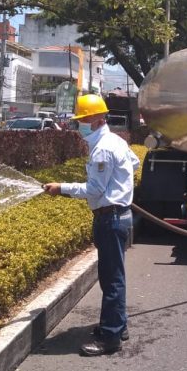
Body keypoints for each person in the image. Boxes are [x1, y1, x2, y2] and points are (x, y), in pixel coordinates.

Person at [43, 94, 140, 357]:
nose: (79, 126)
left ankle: (110, 338)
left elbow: (95, 189)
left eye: (83, 120)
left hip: (110, 218)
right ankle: (118, 327)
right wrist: (122, 184)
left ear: (97, 120)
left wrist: (60, 188)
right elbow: (134, 162)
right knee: (113, 276)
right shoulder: (116, 141)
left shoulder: (103, 149)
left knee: (111, 279)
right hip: (118, 215)